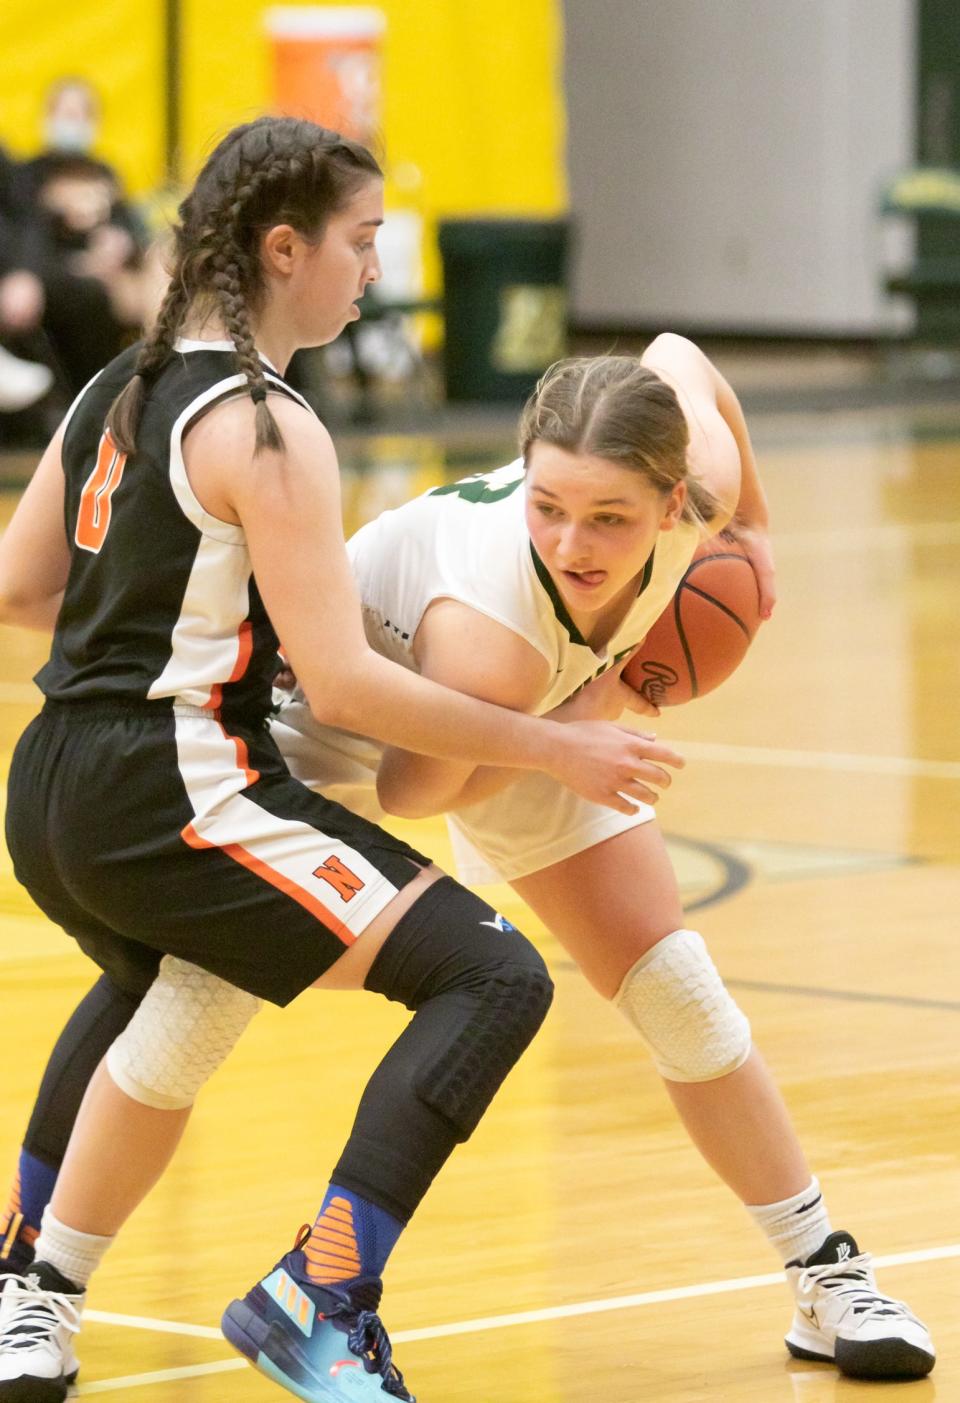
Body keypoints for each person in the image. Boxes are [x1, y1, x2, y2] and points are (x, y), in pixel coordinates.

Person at [3, 339, 937, 1388]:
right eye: (547, 506)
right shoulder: (491, 625)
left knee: (678, 987)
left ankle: (822, 1270)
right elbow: (417, 789)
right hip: (365, 734)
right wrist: (595, 708)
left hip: (535, 714)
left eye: (610, 518)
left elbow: (681, 355)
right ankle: (40, 1283)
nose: (574, 543)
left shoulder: (701, 486)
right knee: (194, 998)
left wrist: (755, 538)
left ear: (678, 501)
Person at [0, 114, 678, 1403]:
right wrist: (555, 743)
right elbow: (359, 682)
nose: (372, 268)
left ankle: (28, 1286)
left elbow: (22, 586)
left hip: (50, 783)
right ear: (284, 247)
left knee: (161, 990)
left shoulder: (119, 386)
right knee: (490, 976)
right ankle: (322, 1295)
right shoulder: (269, 424)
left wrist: (176, 605)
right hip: (176, 780)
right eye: (361, 242)